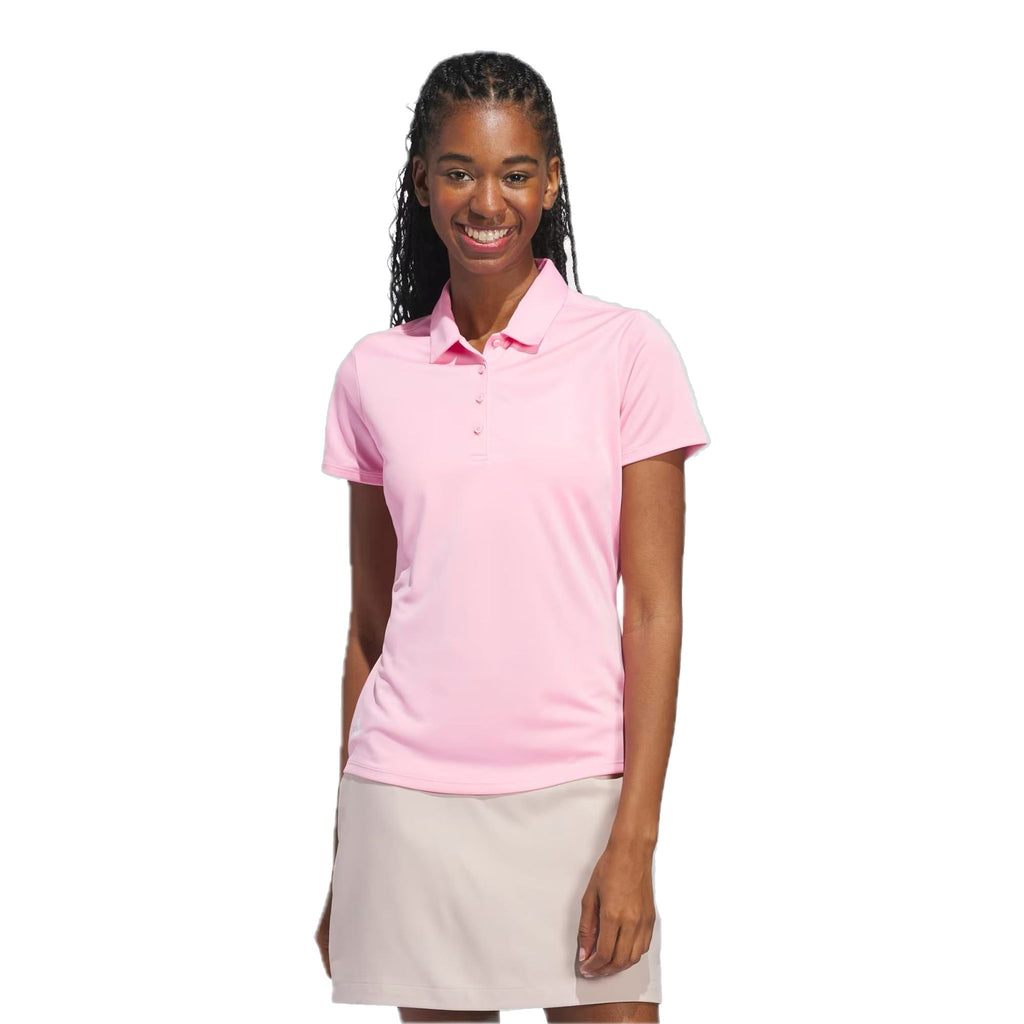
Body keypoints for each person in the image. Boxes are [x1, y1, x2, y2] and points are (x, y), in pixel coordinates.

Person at [314, 51, 709, 1024]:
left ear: (551, 182)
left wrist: (635, 837)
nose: (486, 201)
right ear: (422, 181)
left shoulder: (627, 351)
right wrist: (345, 847)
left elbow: (652, 614)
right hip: (407, 801)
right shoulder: (373, 372)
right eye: (458, 171)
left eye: (514, 172)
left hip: (579, 795)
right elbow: (369, 628)